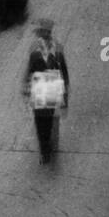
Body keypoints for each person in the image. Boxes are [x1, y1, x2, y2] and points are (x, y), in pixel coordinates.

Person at [24, 20, 70, 164]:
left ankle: (46, 149)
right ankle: (45, 149)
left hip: (49, 84)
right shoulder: (41, 48)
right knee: (41, 121)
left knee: (45, 120)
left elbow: (63, 71)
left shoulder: (55, 49)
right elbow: (30, 69)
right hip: (42, 84)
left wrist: (64, 92)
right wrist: (27, 85)